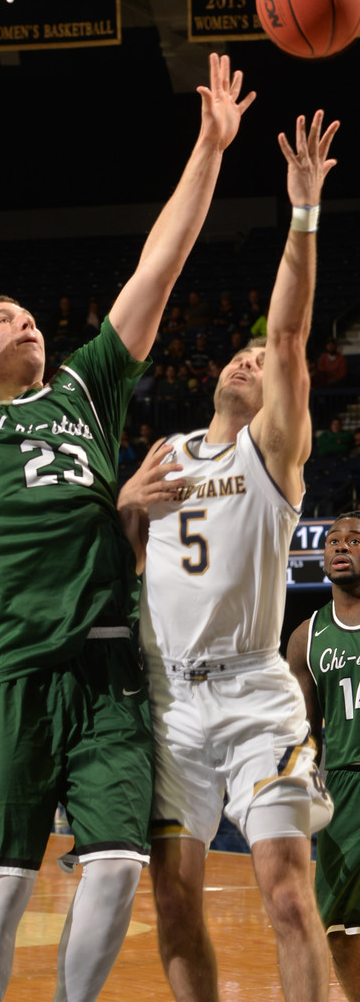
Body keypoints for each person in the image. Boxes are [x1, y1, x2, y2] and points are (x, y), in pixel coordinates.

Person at [0, 53, 255, 1002]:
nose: (24, 320)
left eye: (28, 313)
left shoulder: (86, 387)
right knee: (5, 876)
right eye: (2, 317)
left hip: (108, 665)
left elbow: (160, 265)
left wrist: (208, 147)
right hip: (14, 670)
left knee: (114, 866)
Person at [118, 107, 339, 1002]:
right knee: (173, 903)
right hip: (169, 700)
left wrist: (302, 211)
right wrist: (125, 506)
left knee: (285, 894)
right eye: (238, 356)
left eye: (259, 360)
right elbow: (123, 554)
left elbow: (285, 333)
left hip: (251, 693)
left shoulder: (273, 452)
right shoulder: (164, 452)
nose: (249, 360)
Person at [287, 512, 360, 1002]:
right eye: (333, 540)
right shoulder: (306, 637)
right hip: (343, 789)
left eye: (354, 540)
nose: (340, 547)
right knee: (336, 924)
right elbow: (305, 732)